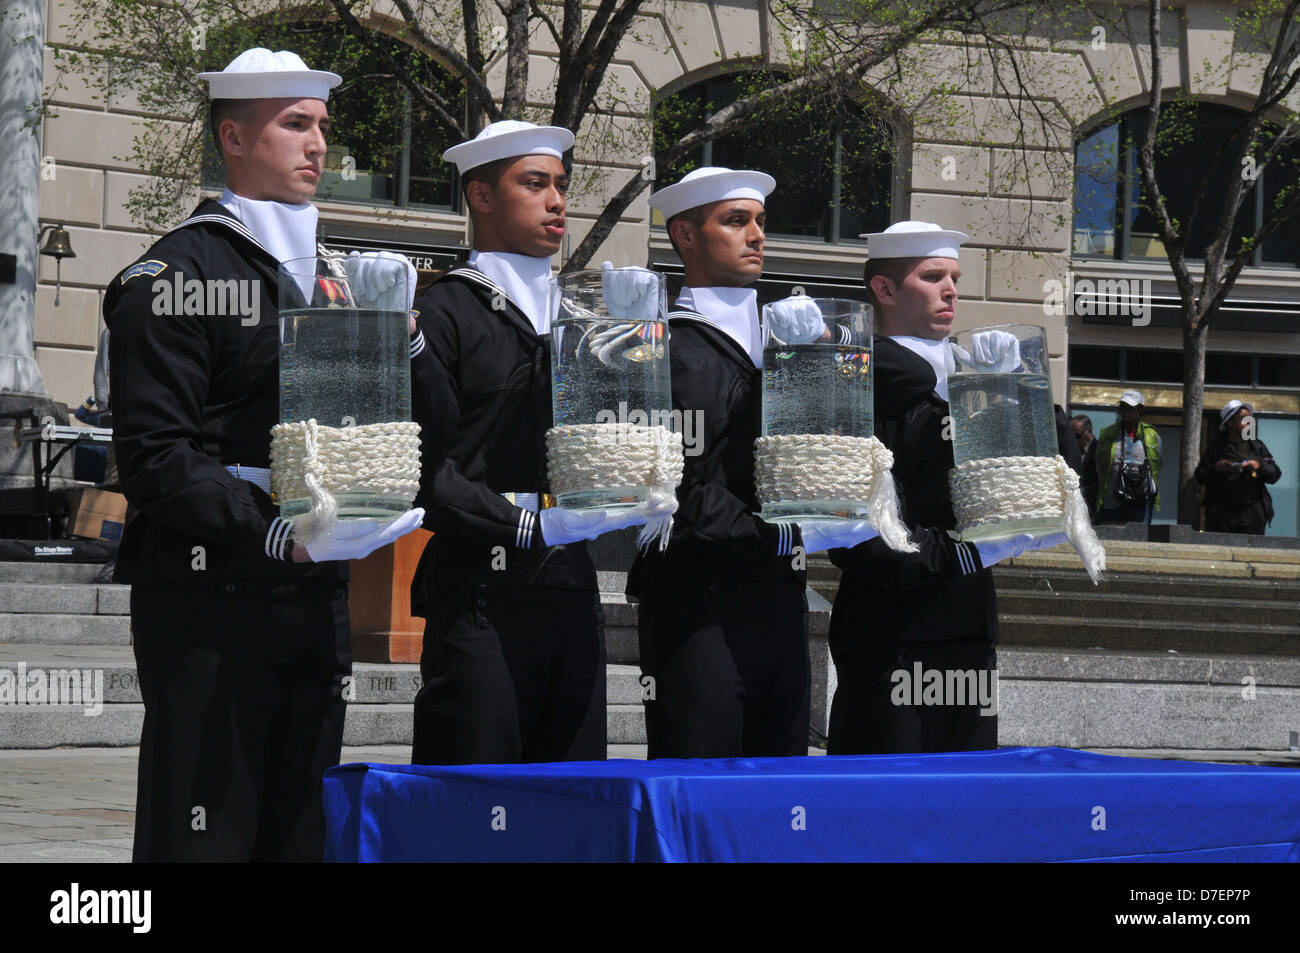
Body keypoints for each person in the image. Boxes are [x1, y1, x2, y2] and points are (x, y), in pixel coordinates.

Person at [105, 48, 423, 861]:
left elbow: (392, 431)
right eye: (294, 124)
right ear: (234, 138)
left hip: (314, 590)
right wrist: (271, 528)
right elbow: (156, 456)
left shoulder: (336, 280)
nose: (319, 144)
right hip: (213, 591)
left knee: (300, 832)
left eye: (321, 125)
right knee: (206, 825)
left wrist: (408, 338)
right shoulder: (177, 271)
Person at [408, 121, 661, 765]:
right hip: (482, 580)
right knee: (479, 789)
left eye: (562, 186)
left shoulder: (579, 317)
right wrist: (524, 526)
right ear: (481, 196)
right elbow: (421, 465)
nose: (557, 202)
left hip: (569, 578)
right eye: (534, 183)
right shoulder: (447, 313)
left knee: (572, 790)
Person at [626, 167, 874, 759]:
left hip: (780, 595)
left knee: (779, 793)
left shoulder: (790, 336)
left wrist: (815, 368)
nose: (756, 235)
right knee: (700, 787)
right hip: (697, 599)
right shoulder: (662, 344)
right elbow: (672, 485)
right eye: (736, 221)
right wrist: (775, 528)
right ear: (685, 235)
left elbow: (826, 457)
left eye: (760, 221)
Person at [826, 221, 1063, 755]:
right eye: (932, 277)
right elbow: (857, 529)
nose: (951, 289)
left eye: (954, 276)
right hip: (890, 625)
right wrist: (956, 553)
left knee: (967, 802)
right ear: (884, 289)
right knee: (886, 799)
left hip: (967, 619)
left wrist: (1019, 391)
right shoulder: (856, 380)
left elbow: (1056, 480)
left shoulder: (974, 374)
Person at [1195, 399, 1282, 535]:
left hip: (1252, 512)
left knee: (1252, 553)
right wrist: (1217, 468)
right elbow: (1200, 475)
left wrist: (1258, 466)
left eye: (1250, 418)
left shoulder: (1257, 446)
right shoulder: (1217, 448)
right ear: (1229, 422)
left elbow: (1274, 474)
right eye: (1242, 418)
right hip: (1221, 513)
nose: (1248, 422)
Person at [1096, 390, 1161, 524]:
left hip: (1141, 499)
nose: (1125, 412)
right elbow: (1098, 464)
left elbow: (1158, 464)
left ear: (1140, 410)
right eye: (1122, 408)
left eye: (1130, 408)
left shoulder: (1152, 436)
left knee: (1138, 538)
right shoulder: (1108, 434)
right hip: (1112, 499)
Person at [1072, 414, 1099, 514]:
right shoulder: (1072, 450)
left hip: (1092, 506)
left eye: (1078, 436)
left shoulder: (1099, 450)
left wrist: (1083, 491)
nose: (1074, 440)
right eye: (1072, 436)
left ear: (1090, 431)